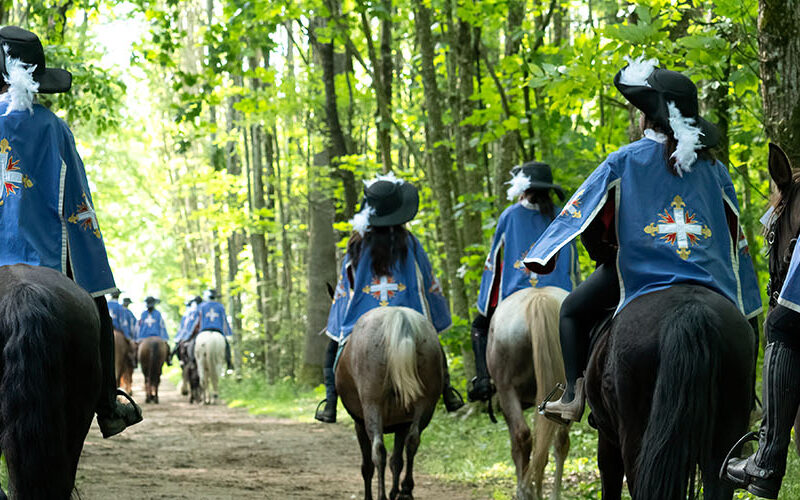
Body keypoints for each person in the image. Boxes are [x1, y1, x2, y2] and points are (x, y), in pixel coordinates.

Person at [524, 55, 762, 424]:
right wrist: (747, 295)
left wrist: (547, 254)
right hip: (710, 277)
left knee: (570, 310)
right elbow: (737, 242)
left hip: (641, 275)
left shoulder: (623, 161)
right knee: (745, 323)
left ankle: (572, 396)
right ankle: (748, 400)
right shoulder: (716, 170)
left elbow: (580, 215)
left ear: (647, 117)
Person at [0, 26, 141, 438]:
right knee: (95, 309)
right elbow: (78, 205)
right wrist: (88, 264)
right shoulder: (55, 129)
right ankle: (107, 403)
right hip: (48, 258)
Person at [315, 173, 465, 423]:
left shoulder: (356, 246)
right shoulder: (410, 243)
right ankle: (448, 392)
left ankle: (330, 403)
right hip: (409, 312)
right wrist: (435, 320)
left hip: (362, 314)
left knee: (334, 350)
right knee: (434, 347)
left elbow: (344, 292)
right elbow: (427, 283)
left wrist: (338, 326)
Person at [468, 162, 580, 402]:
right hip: (559, 291)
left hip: (516, 293)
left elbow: (494, 266)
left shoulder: (509, 216)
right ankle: (588, 381)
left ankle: (483, 382)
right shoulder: (562, 216)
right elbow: (573, 264)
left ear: (523, 189)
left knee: (479, 326)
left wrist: (486, 305)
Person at [188, 289, 234, 371]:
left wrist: (189, 333)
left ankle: (192, 361)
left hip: (204, 331)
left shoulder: (201, 306)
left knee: (194, 343)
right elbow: (224, 321)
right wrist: (228, 333)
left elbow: (195, 321)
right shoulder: (220, 306)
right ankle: (229, 363)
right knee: (226, 345)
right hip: (218, 331)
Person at [137, 296, 171, 365]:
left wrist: (138, 339)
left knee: (135, 348)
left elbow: (139, 327)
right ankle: (168, 360)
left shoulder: (143, 314)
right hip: (157, 336)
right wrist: (165, 338)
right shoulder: (158, 313)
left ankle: (135, 361)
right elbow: (162, 326)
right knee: (167, 347)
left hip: (144, 337)